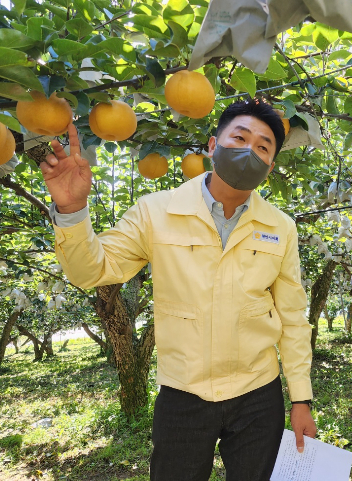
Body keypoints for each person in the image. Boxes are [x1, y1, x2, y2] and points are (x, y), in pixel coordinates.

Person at [40, 99, 316, 481]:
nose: (250, 150)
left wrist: (301, 398)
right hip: (184, 391)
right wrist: (72, 211)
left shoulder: (280, 227)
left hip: (257, 391)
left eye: (263, 147)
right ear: (212, 145)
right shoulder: (156, 211)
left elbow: (292, 317)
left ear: (269, 167)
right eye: (240, 137)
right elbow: (93, 270)